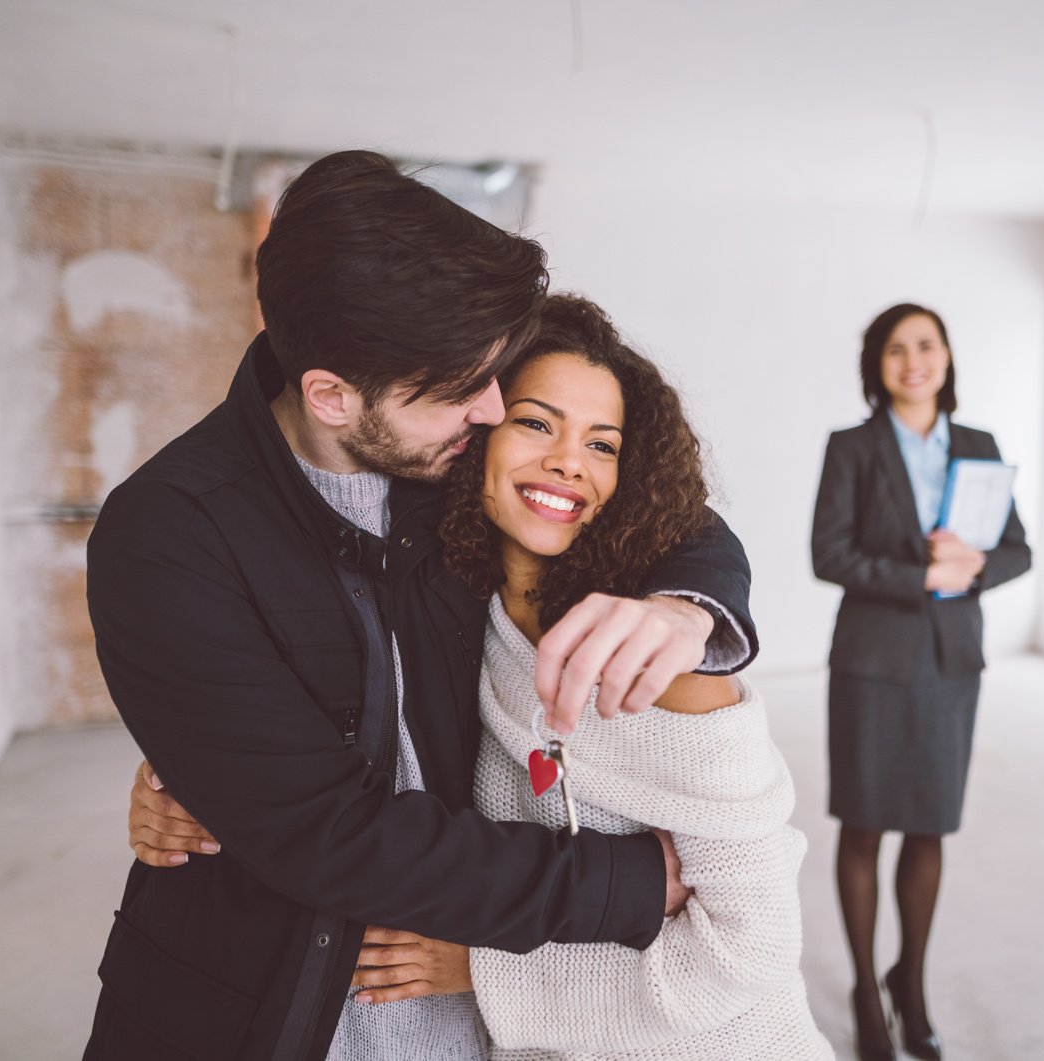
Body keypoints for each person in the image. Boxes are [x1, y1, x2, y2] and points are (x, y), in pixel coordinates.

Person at [83, 151, 759, 1061]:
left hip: (465, 995)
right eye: (456, 391)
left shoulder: (448, 455)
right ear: (331, 394)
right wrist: (620, 885)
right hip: (259, 1006)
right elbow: (328, 831)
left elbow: (644, 496)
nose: (490, 407)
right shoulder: (166, 536)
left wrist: (688, 609)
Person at [810, 303, 1031, 1061]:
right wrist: (921, 573)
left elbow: (1015, 548)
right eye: (896, 348)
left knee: (929, 824)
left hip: (950, 660)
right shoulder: (852, 447)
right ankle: (867, 994)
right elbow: (828, 553)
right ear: (876, 364)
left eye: (926, 345)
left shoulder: (979, 445)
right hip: (871, 660)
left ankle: (913, 983)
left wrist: (972, 569)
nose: (913, 360)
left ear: (946, 357)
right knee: (865, 824)